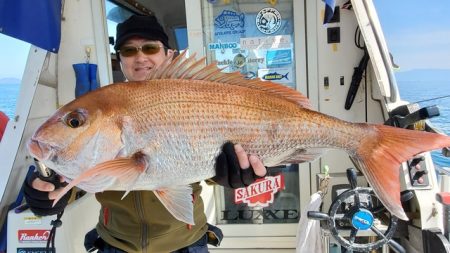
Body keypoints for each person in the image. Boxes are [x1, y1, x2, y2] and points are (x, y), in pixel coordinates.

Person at [23, 15, 267, 253]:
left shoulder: (196, 94)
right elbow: (76, 177)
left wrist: (231, 175)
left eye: (150, 47)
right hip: (116, 243)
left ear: (168, 54)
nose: (140, 57)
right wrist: (48, 189)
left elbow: (208, 161)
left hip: (187, 242)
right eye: (129, 51)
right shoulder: (99, 106)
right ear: (120, 59)